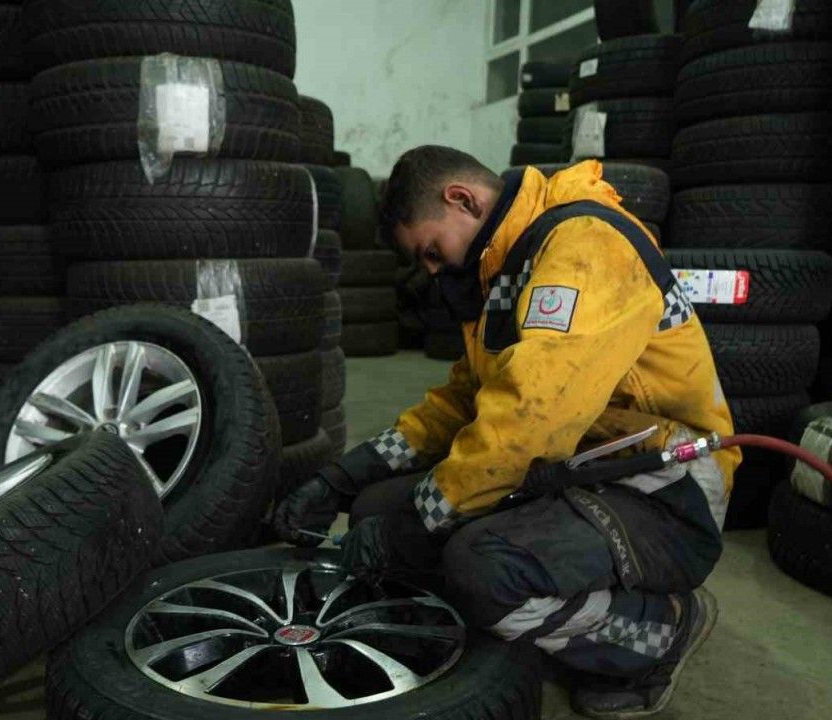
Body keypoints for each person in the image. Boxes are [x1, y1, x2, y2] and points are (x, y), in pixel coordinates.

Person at [273, 147, 740, 718]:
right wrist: (345, 476)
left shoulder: (584, 245)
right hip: (576, 464)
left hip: (664, 479)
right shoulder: (503, 270)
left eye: (431, 251)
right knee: (376, 509)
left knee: (483, 569)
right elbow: (462, 403)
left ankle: (660, 632)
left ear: (462, 200)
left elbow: (529, 419)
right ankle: (538, 601)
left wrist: (417, 523)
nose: (432, 271)